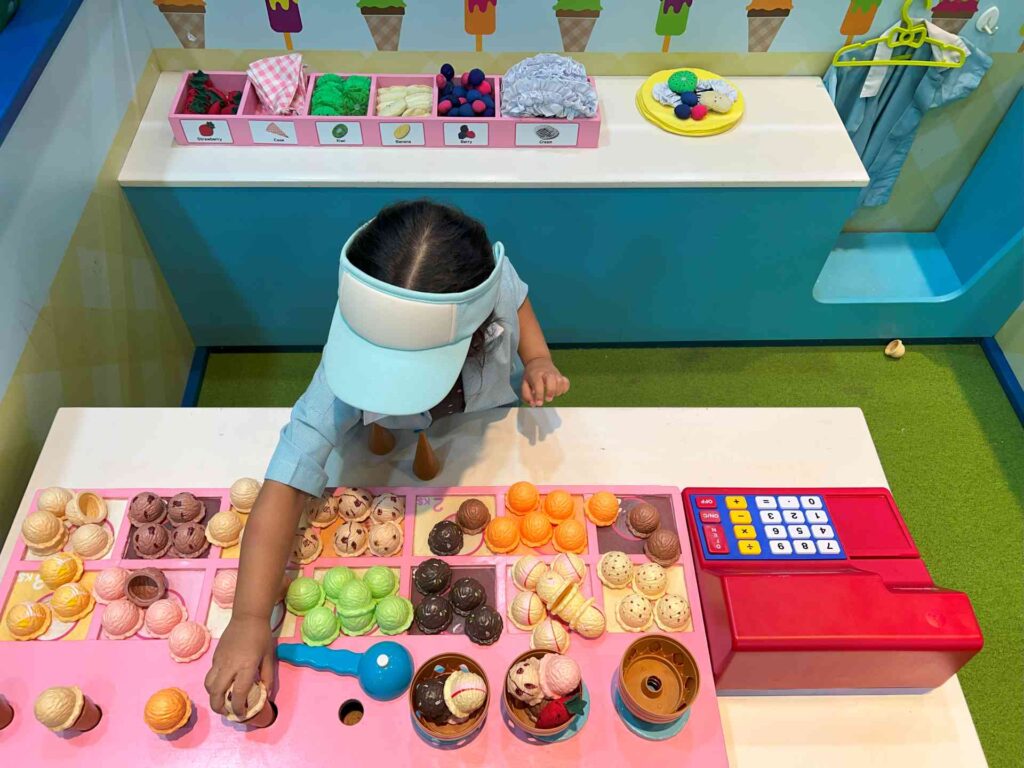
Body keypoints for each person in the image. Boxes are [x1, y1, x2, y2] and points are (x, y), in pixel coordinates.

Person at [205, 200, 570, 716]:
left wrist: (537, 358)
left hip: (484, 425)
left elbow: (519, 302)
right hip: (387, 449)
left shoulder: (494, 282)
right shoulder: (355, 343)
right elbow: (286, 479)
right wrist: (246, 619)